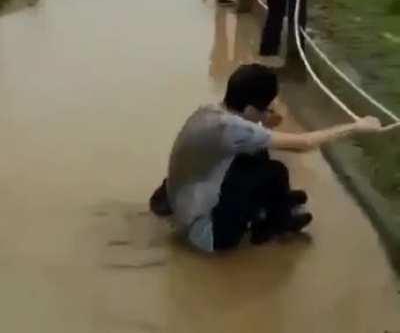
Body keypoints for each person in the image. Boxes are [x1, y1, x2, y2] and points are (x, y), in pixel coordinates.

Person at [150, 64, 382, 253]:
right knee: (275, 171)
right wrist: (356, 127)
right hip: (208, 236)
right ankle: (273, 221)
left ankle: (272, 203)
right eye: (268, 105)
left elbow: (249, 132)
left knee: (257, 154)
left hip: (183, 205)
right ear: (251, 109)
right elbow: (305, 144)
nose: (272, 109)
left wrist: (263, 120)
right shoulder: (235, 131)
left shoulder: (210, 112)